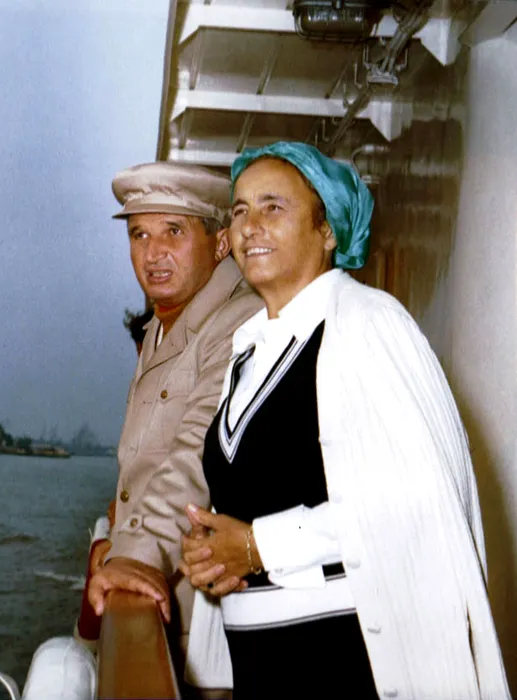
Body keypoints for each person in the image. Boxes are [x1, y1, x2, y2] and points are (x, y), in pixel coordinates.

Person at [179, 142, 510, 699]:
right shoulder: (249, 349)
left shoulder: (369, 324)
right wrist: (214, 552)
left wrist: (259, 546)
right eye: (239, 210)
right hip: (259, 664)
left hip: (341, 662)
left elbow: (415, 500)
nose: (249, 226)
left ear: (328, 230)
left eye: (273, 207)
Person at [78, 161, 262, 691]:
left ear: (221, 243)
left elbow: (197, 453)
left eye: (173, 232)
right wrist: (117, 530)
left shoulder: (240, 323)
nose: (153, 253)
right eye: (139, 234)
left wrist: (135, 555)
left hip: (197, 626)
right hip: (168, 601)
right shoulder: (167, 321)